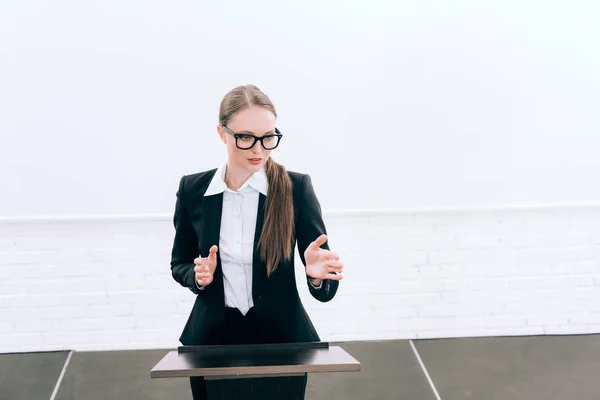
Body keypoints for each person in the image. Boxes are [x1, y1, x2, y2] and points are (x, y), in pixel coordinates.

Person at [169, 84, 344, 399]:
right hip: (213, 340)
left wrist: (318, 277)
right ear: (223, 134)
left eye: (268, 137)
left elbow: (326, 286)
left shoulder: (295, 188)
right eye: (246, 137)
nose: (259, 149)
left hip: (282, 341)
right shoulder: (194, 189)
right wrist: (196, 276)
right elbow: (178, 263)